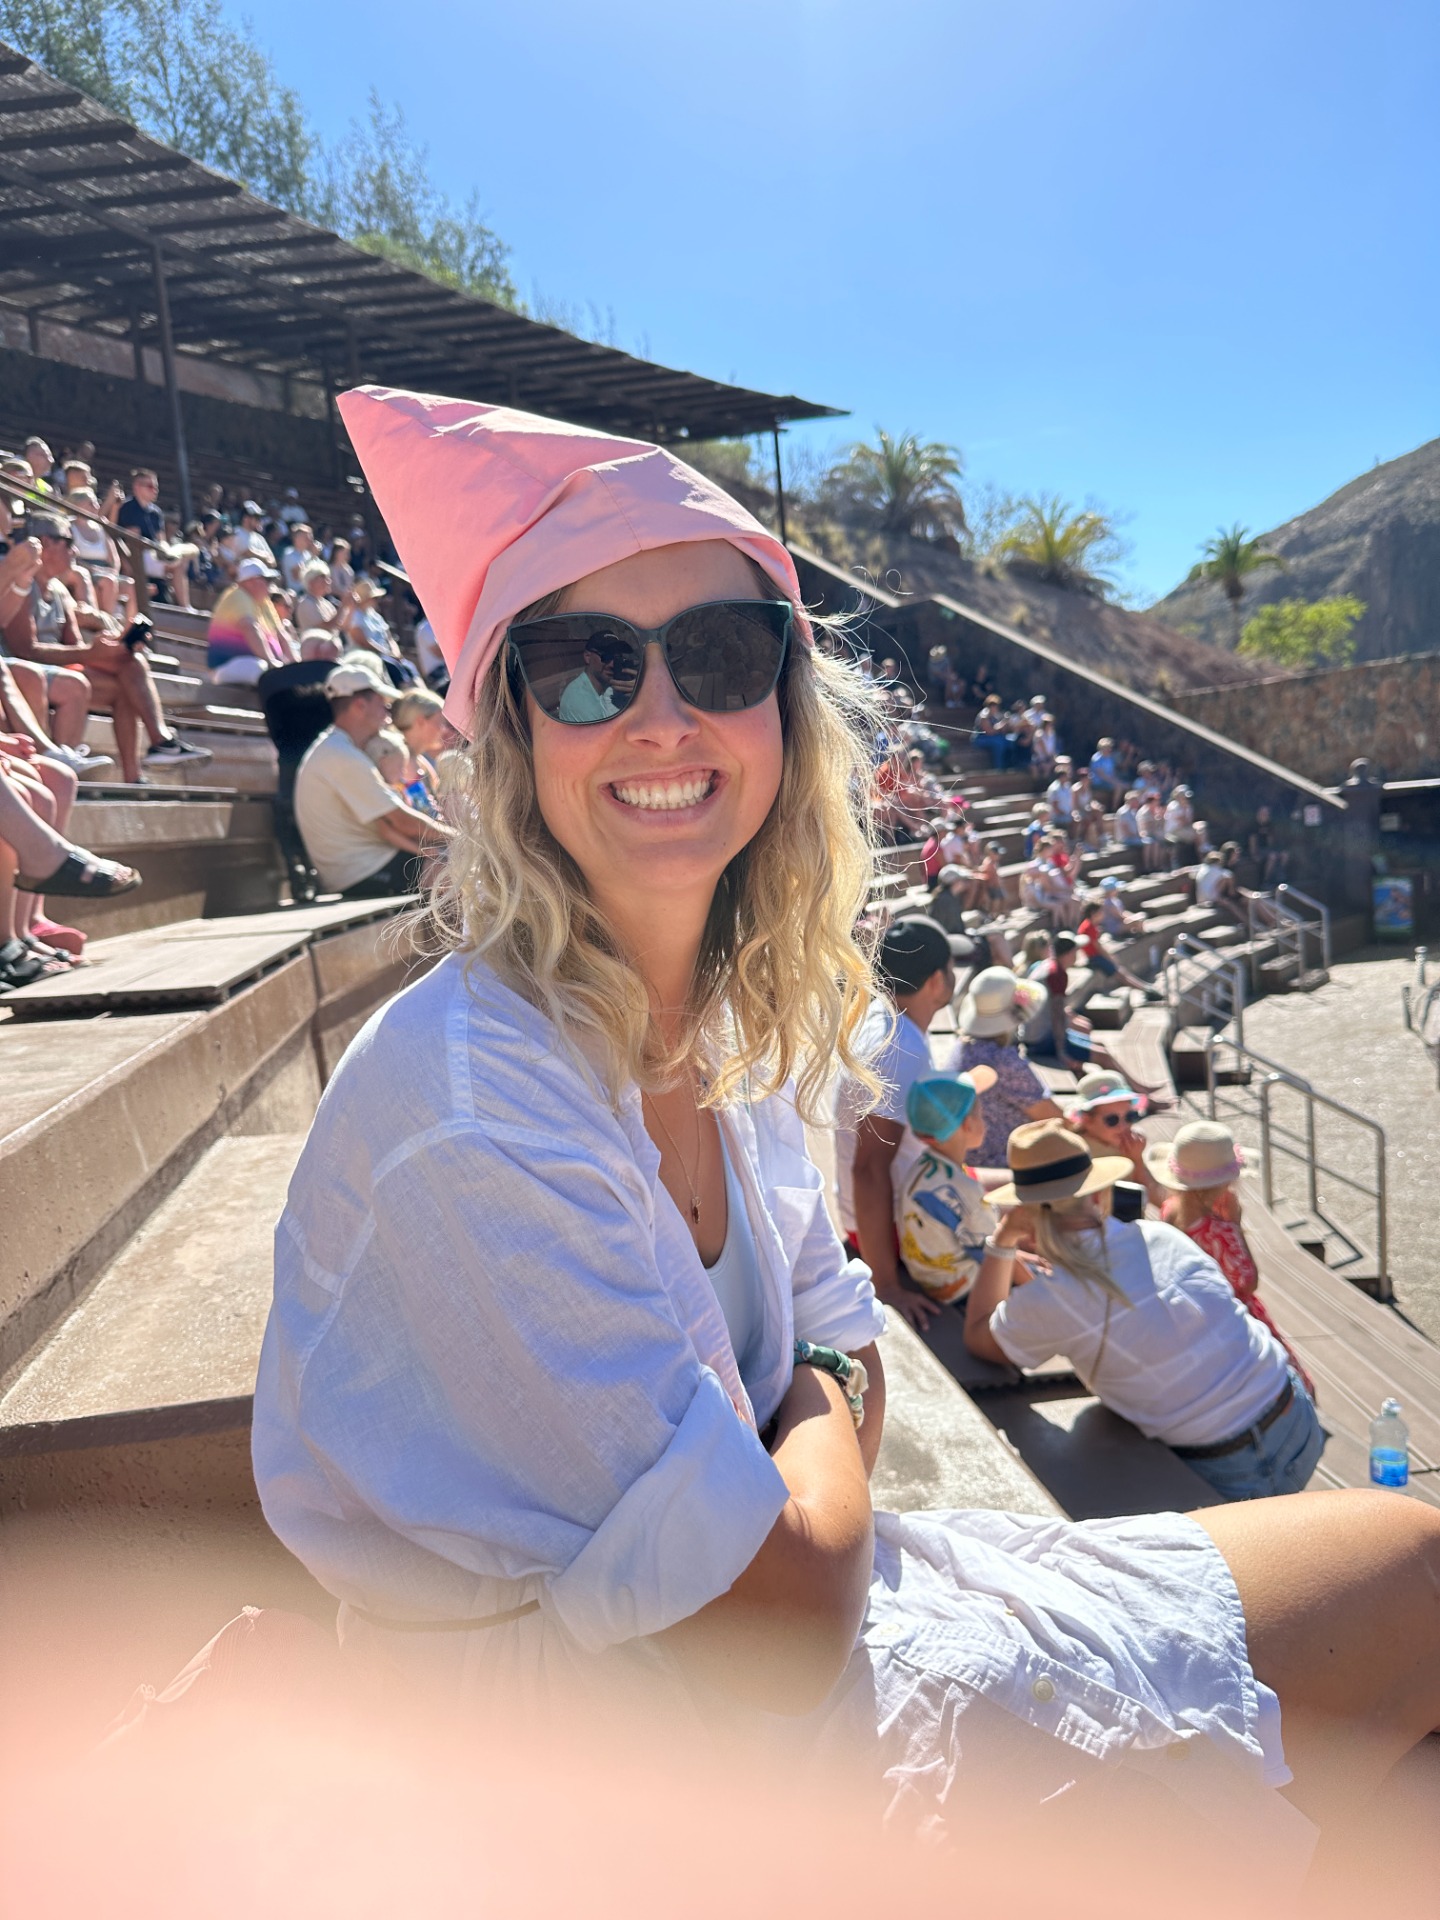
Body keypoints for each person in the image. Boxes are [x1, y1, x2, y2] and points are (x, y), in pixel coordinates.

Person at [254, 385, 1440, 1869]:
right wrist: (815, 1409)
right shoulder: (471, 1109)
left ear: (784, 709)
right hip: (622, 1769)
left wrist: (798, 1442)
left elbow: (844, 1362)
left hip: (788, 1648)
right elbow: (781, 1608)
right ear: (510, 731)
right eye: (587, 669)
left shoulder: (724, 1033)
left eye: (719, 653)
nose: (662, 714)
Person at [966, 1122, 1325, 1506]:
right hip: (1297, 1415)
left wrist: (1002, 1241)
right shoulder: (1161, 1236)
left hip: (1230, 1467)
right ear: (1099, 1194)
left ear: (1025, 1213)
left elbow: (979, 1337)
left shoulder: (1055, 1298)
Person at [835, 915, 971, 1331]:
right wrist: (887, 1285)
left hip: (896, 1213)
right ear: (936, 980)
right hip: (900, 1233)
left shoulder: (887, 1022)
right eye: (951, 968)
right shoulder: (898, 1047)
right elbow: (869, 1168)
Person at [6, 513, 211, 781]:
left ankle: (140, 768)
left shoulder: (59, 590)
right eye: (68, 542)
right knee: (76, 683)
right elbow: (25, 650)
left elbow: (74, 646)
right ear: (45, 542)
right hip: (24, 670)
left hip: (54, 669)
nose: (75, 551)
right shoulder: (22, 584)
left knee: (130, 668)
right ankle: (59, 771)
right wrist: (91, 653)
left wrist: (114, 647)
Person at [1144, 1121, 1313, 1393]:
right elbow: (1248, 1281)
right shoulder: (1220, 1229)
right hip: (1233, 1320)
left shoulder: (1171, 1209)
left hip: (1193, 1316)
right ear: (1225, 1181)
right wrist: (1235, 1225)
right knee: (1291, 1383)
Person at [292, 658, 449, 897]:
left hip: (367, 864)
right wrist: (463, 838)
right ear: (359, 705)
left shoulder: (339, 747)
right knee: (457, 871)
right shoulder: (340, 754)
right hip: (361, 872)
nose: (388, 713)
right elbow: (402, 821)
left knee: (457, 865)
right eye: (383, 704)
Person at [896, 1071, 999, 1305]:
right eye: (981, 1115)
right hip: (962, 1288)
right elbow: (996, 1253)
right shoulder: (963, 1188)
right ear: (968, 1125)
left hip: (930, 1280)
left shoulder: (922, 1167)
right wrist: (1033, 1279)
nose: (985, 1122)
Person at [945, 965, 1061, 1168]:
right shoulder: (1004, 1061)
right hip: (1010, 1161)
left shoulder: (961, 1047)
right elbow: (1052, 1117)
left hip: (969, 1158)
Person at [1067, 1068, 1163, 1204]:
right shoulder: (1077, 1153)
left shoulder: (1129, 1145)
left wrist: (1137, 1160)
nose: (1123, 1126)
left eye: (1130, 1116)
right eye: (1112, 1120)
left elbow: (1158, 1200)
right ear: (1087, 1120)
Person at [205, 559, 299, 684]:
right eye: (267, 580)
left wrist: (296, 666)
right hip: (226, 666)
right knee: (262, 670)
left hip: (255, 663)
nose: (271, 585)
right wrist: (271, 662)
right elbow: (250, 628)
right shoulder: (238, 596)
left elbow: (281, 635)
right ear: (252, 582)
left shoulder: (264, 602)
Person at [114, 469, 194, 606]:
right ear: (137, 487)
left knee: (180, 562)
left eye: (156, 486)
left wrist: (167, 554)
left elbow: (161, 540)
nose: (155, 490)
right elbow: (132, 539)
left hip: (153, 553)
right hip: (135, 554)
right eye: (150, 486)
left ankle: (185, 606)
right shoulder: (128, 508)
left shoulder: (156, 512)